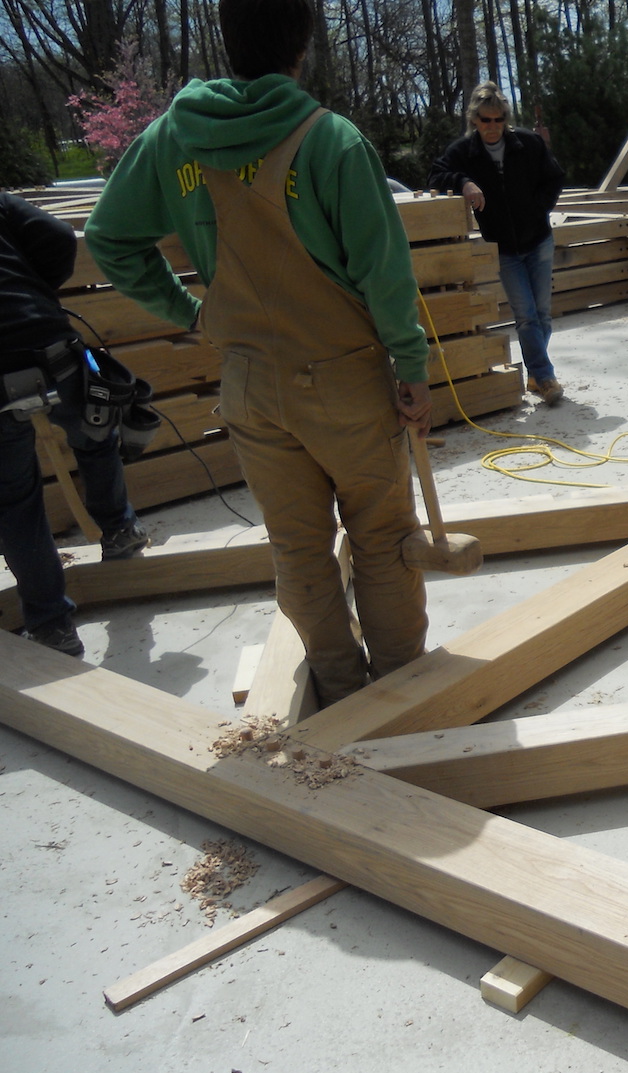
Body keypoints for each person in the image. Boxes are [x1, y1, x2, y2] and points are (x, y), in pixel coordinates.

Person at [85, 0, 430, 706]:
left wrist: (192, 313)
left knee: (299, 549)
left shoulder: (172, 139)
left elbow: (110, 238)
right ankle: (399, 696)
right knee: (384, 536)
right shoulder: (331, 141)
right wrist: (412, 369)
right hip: (344, 384)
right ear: (302, 45)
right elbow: (384, 274)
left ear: (225, 39)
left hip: (248, 383)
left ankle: (338, 691)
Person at [0, 193, 150, 658]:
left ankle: (51, 626)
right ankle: (119, 532)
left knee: (14, 501)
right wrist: (37, 292)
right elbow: (58, 237)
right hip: (47, 343)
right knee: (94, 434)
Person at [429, 82, 566, 406]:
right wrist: (464, 182)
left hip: (539, 241)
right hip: (504, 249)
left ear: (506, 119)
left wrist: (537, 209)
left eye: (498, 119)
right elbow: (436, 175)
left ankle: (534, 374)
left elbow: (555, 176)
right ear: (474, 119)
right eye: (485, 120)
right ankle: (545, 376)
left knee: (543, 315)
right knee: (526, 316)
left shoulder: (528, 144)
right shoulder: (464, 152)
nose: (492, 127)